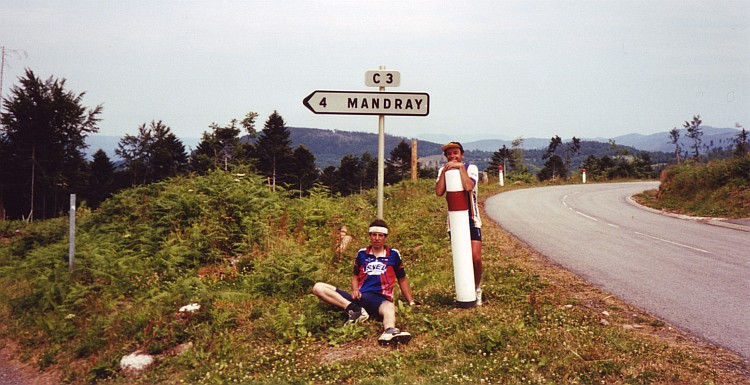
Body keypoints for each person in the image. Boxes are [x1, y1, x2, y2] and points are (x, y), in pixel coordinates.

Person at [313, 219, 416, 345]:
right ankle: (354, 310)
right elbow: (355, 276)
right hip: (360, 299)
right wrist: (355, 290)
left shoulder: (393, 254)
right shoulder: (362, 253)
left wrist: (411, 302)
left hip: (381, 300)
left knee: (389, 307)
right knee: (318, 287)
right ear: (370, 236)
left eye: (380, 235)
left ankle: (389, 331)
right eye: (374, 235)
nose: (377, 238)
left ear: (385, 237)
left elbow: (402, 279)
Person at [434, 141, 484, 305]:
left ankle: (477, 287)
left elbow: (469, 186)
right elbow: (439, 191)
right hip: (454, 222)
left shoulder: (471, 168)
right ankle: (463, 290)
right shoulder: (444, 170)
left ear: (462, 154)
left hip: (472, 219)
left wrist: (460, 168)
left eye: (455, 153)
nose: (452, 156)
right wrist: (444, 173)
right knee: (462, 257)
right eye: (449, 154)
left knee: (475, 257)